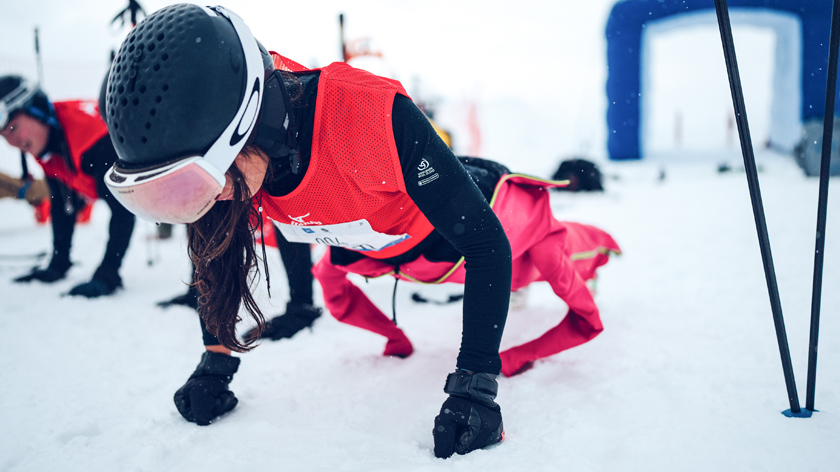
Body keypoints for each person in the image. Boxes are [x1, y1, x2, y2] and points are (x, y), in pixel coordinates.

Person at [102, 4, 619, 458]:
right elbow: (214, 252)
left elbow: (488, 246)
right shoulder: (229, 154)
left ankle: (601, 249)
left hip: (474, 217)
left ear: (248, 128)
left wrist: (474, 390)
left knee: (547, 254)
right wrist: (215, 361)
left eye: (199, 182)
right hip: (381, 245)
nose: (204, 200)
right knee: (362, 269)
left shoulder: (370, 118)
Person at [0, 75, 135, 297]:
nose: (12, 143)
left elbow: (123, 211)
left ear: (38, 112)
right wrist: (57, 265)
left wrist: (107, 274)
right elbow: (62, 206)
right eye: (5, 136)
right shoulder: (47, 146)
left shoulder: (91, 139)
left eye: (13, 128)